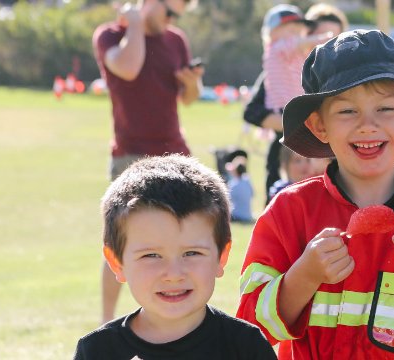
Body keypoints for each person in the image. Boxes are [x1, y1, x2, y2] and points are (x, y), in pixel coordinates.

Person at [236, 30, 394, 358]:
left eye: (386, 108)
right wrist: (304, 275)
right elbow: (248, 330)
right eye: (347, 111)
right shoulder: (288, 212)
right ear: (319, 126)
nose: (367, 125)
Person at [75, 155, 276, 359]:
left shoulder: (246, 346)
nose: (173, 274)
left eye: (191, 253)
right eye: (151, 255)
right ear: (117, 263)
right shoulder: (98, 351)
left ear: (221, 256)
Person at [93, 0, 203, 324]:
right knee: (120, 241)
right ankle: (106, 323)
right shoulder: (110, 36)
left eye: (178, 15)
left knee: (187, 239)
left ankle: (184, 318)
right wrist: (136, 23)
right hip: (130, 153)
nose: (172, 20)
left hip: (175, 153)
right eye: (170, 11)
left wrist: (193, 83)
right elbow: (128, 67)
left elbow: (188, 97)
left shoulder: (176, 39)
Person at [244, 4, 348, 204]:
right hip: (286, 158)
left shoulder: (345, 76)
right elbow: (253, 112)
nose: (327, 41)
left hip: (330, 163)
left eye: (334, 36)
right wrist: (300, 125)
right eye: (322, 35)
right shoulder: (283, 71)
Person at [224, 150, 254, 223]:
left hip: (237, 216)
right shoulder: (248, 181)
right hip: (248, 216)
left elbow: (226, 201)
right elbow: (253, 195)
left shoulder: (233, 184)